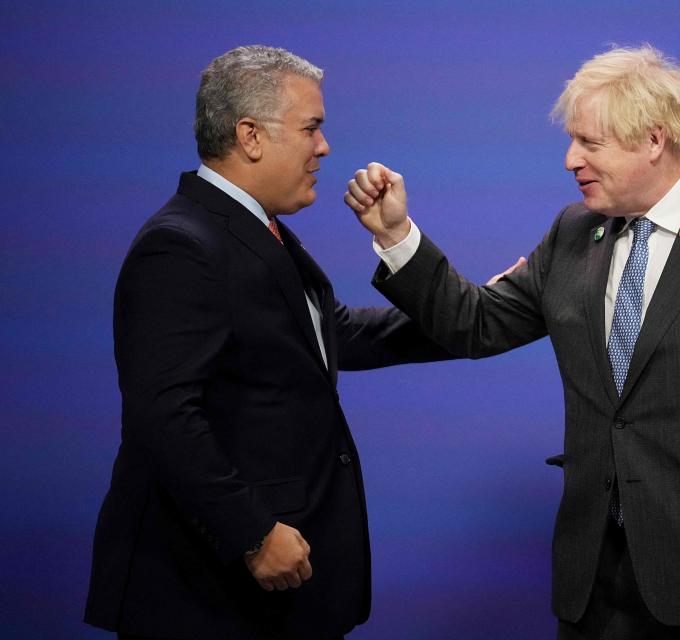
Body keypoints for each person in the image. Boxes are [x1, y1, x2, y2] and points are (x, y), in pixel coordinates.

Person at [344, 45, 680, 639]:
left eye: (590, 143)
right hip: (596, 579)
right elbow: (476, 323)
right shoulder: (575, 231)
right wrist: (396, 236)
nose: (571, 159)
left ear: (654, 140)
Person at [84, 45, 463, 640]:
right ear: (250, 136)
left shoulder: (254, 228)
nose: (325, 147)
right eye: (312, 128)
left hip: (262, 599)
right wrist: (253, 533)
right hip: (205, 597)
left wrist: (467, 315)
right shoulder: (181, 245)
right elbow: (163, 415)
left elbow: (332, 334)